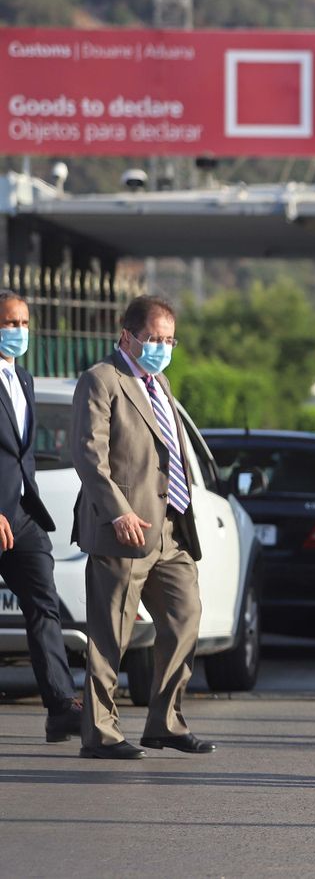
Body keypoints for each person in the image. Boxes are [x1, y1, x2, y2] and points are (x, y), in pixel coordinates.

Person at [72, 295, 211, 760]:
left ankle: (165, 723)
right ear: (127, 335)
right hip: (123, 529)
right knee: (110, 635)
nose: (161, 347)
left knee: (185, 617)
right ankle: (101, 732)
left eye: (169, 340)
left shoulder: (161, 381)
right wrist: (118, 511)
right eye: (153, 338)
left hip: (170, 528)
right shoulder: (102, 379)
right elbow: (90, 456)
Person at [0, 290, 79, 743]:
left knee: (43, 603)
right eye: (10, 324)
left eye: (24, 323)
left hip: (25, 514)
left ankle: (60, 706)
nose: (19, 332)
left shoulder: (24, 379)